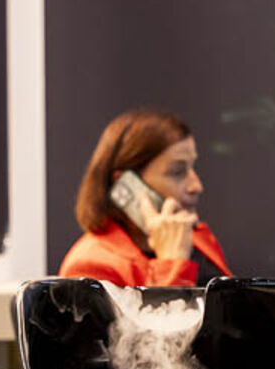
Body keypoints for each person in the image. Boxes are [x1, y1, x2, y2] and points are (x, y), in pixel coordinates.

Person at [61, 108, 231, 286]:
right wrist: (172, 263)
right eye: (177, 172)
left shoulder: (196, 236)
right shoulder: (91, 266)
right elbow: (168, 305)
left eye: (192, 168)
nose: (196, 186)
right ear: (126, 184)